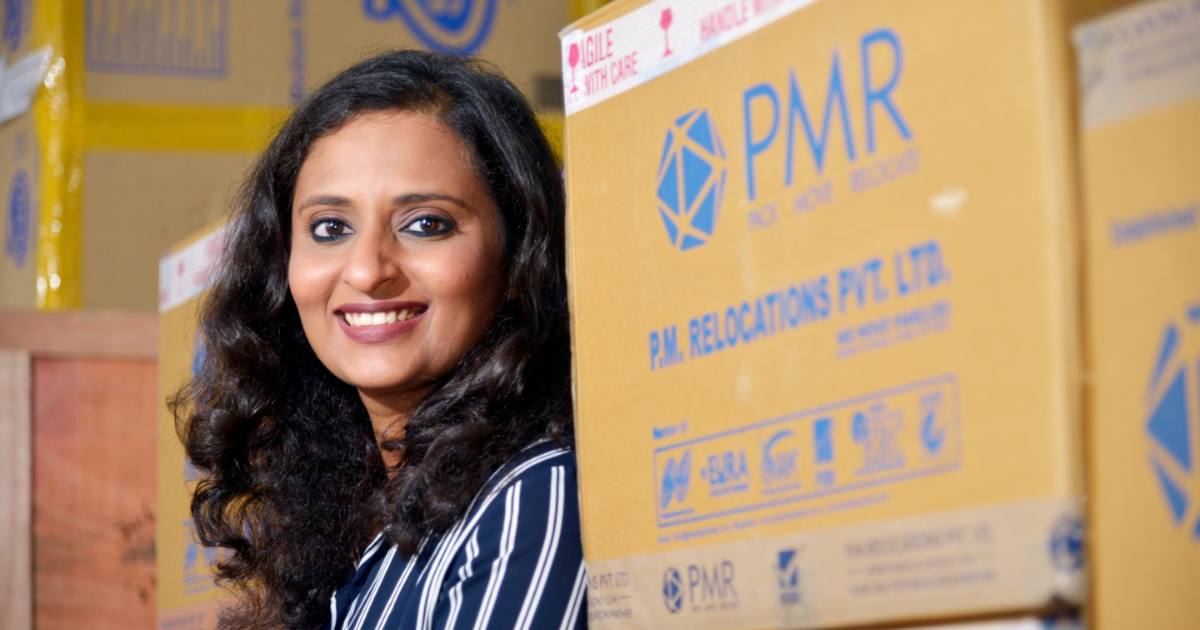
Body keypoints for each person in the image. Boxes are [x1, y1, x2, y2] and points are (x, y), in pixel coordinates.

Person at [172, 50, 584, 629]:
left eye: (426, 224)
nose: (367, 271)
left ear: (518, 257)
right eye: (330, 229)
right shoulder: (357, 528)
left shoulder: (531, 500)